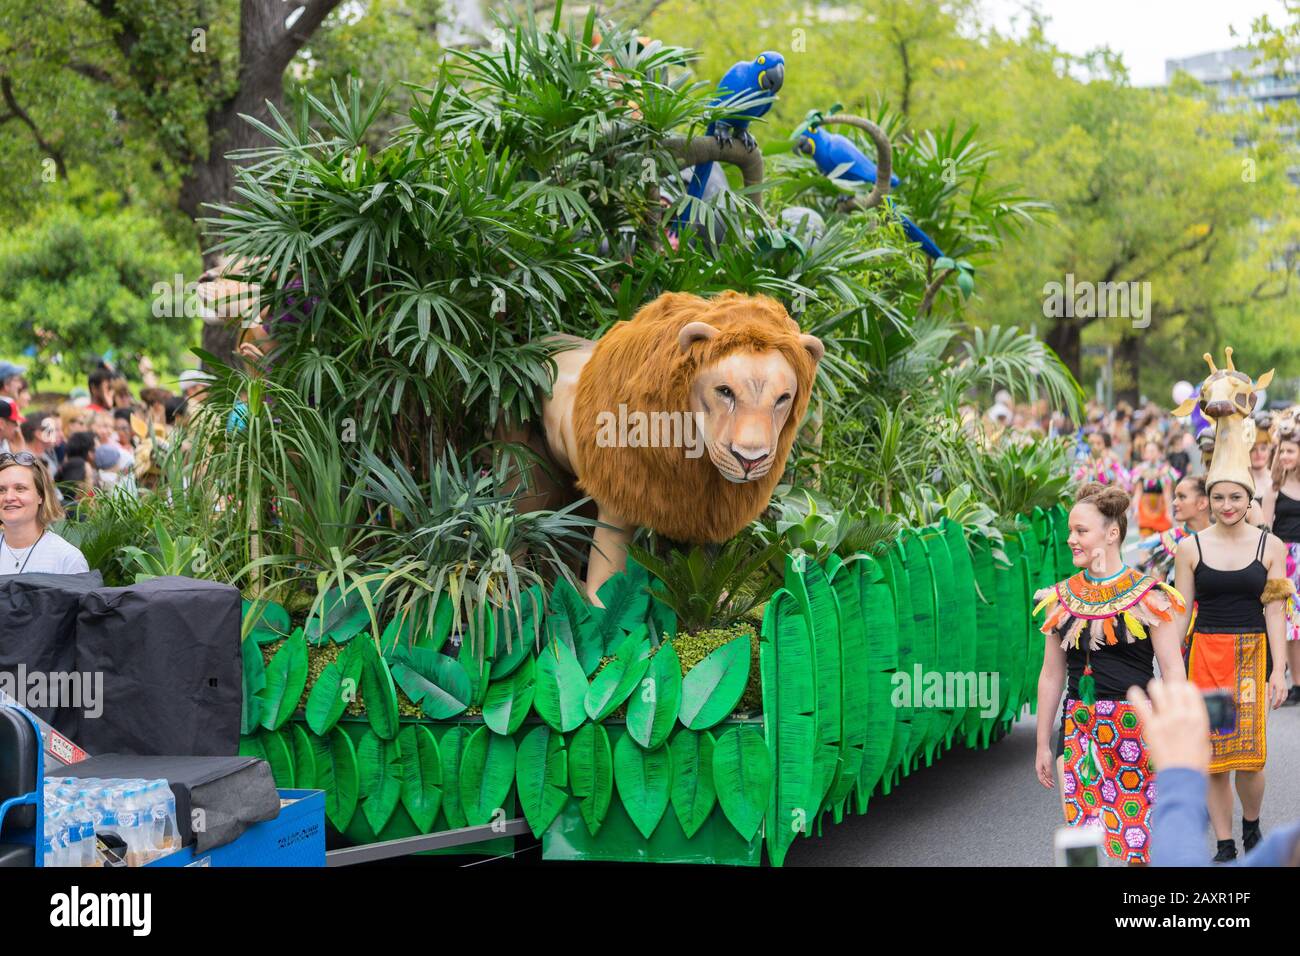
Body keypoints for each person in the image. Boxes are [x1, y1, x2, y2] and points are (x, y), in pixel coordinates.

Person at [1034, 482, 1188, 864]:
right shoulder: (1060, 598)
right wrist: (1041, 742)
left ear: (1113, 533)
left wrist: (1179, 732)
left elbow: (1172, 668)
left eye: (1081, 531)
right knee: (1081, 838)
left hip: (1138, 728)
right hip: (1080, 728)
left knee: (1140, 840)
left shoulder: (1150, 595)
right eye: (1070, 531)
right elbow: (1051, 675)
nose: (1071, 539)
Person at [1171, 401, 1291, 863]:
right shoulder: (1190, 548)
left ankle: (1251, 824)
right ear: (1208, 500)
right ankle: (1224, 843)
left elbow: (1277, 611)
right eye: (1218, 497)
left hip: (1249, 657)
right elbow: (1182, 613)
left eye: (1236, 497)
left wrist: (1279, 669)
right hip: (1205, 656)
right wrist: (1170, 667)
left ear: (1249, 500)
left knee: (1250, 756)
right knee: (1216, 757)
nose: (1227, 506)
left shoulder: (1271, 546)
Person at [1131, 679, 1300, 866]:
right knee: (1217, 769)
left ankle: (1250, 828)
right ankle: (1225, 843)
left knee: (1250, 764)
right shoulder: (1285, 846)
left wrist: (1179, 778)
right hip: (1207, 667)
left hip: (1249, 673)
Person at [1260, 426, 1300, 705]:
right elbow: (1265, 529)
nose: (1285, 455)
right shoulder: (1273, 489)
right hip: (1285, 559)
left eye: (1290, 451)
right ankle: (1296, 683)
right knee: (1291, 625)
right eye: (1282, 451)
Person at [0, 452, 89, 575]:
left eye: (20, 489)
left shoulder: (67, 559)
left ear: (41, 496)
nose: (9, 497)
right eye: (1, 490)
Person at [1135, 474, 1210, 583]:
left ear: (1202, 503)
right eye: (1175, 497)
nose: (1174, 502)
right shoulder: (1168, 541)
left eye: (1182, 497)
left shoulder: (1222, 539)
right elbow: (1157, 590)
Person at [1131, 433, 1178, 536]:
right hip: (1145, 508)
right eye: (1148, 451)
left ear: (1160, 452)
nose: (1150, 453)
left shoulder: (1166, 470)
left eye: (1153, 451)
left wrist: (1169, 512)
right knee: (1145, 542)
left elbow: (1167, 493)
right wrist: (1135, 509)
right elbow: (1138, 492)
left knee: (1165, 540)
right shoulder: (1140, 470)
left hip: (1161, 508)